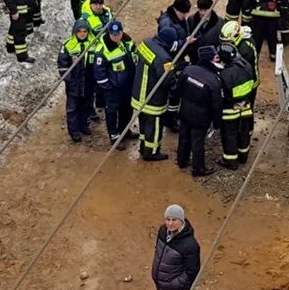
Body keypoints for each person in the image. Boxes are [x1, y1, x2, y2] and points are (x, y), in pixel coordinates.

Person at [131, 23, 180, 162]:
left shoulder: (146, 43)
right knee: (155, 126)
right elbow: (167, 80)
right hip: (153, 99)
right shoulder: (164, 58)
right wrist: (176, 81)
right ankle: (151, 152)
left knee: (143, 122)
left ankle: (143, 146)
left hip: (138, 93)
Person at [176, 51, 221, 179]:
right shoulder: (213, 81)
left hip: (185, 110)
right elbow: (217, 105)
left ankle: (182, 161)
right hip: (201, 117)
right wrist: (217, 122)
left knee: (183, 136)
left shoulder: (188, 70)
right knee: (198, 142)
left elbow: (179, 89)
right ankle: (198, 168)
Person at [94, 21, 134, 146]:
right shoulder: (102, 50)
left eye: (118, 34)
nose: (116, 36)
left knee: (127, 110)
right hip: (113, 88)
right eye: (113, 34)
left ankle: (125, 130)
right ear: (109, 33)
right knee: (112, 112)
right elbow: (99, 74)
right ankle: (115, 136)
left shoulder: (127, 42)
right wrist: (109, 88)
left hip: (127, 85)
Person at [57, 19, 98, 143]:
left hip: (89, 82)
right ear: (75, 32)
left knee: (86, 105)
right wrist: (70, 81)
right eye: (79, 31)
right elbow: (62, 65)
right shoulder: (68, 45)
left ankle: (84, 126)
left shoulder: (94, 43)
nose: (82, 34)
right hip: (74, 83)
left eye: (85, 31)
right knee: (72, 108)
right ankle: (74, 131)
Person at [215, 40, 254, 168]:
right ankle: (243, 157)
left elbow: (223, 94)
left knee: (229, 135)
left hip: (230, 111)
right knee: (243, 133)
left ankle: (230, 161)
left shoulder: (225, 74)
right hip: (246, 107)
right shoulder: (247, 66)